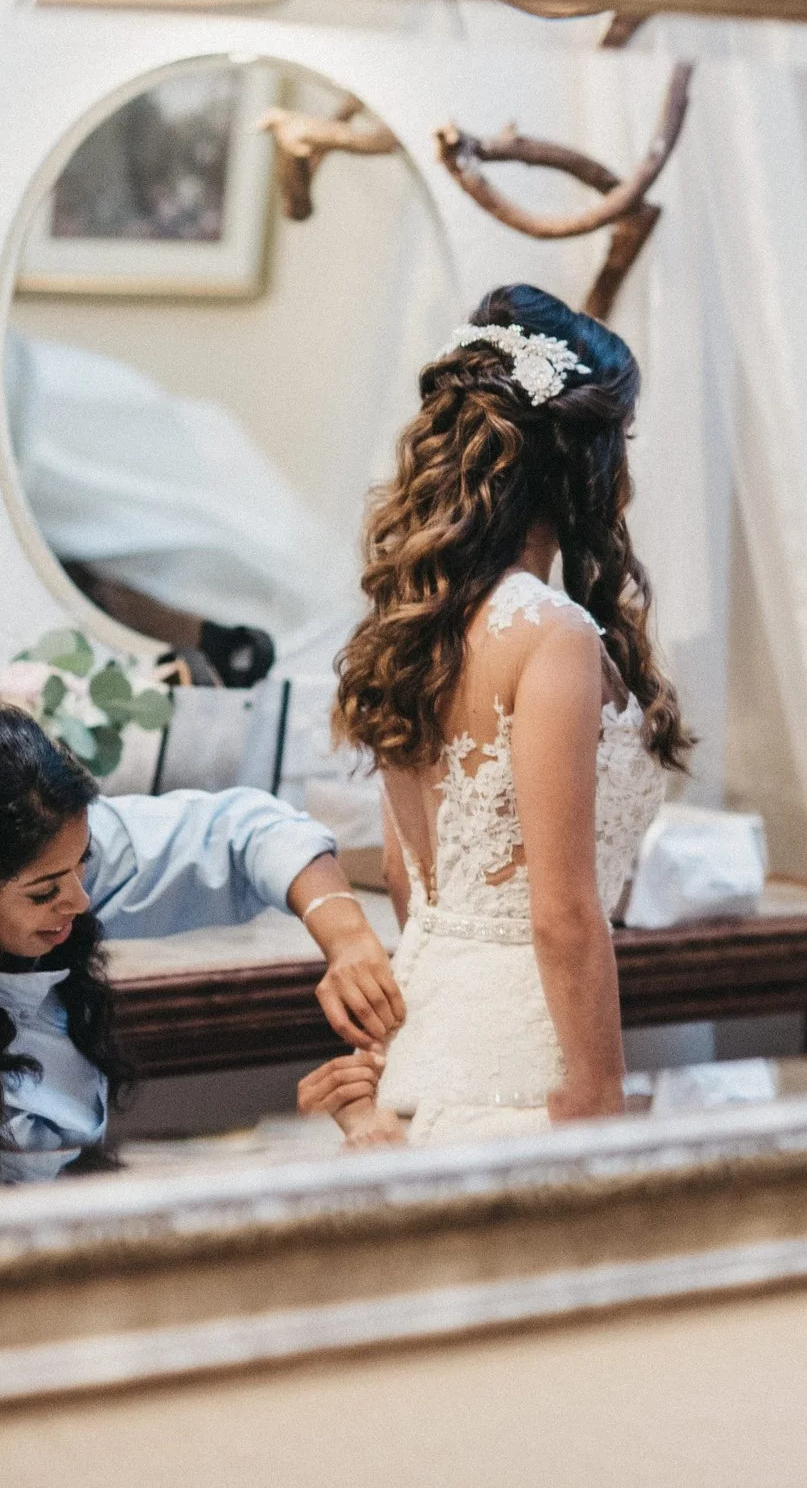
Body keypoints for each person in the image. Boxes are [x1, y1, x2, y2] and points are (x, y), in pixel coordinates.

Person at [297, 284, 690, 1146]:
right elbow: (562, 912)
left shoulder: (415, 622)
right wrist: (596, 1095)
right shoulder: (552, 634)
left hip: (427, 1039)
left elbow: (411, 881)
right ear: (582, 453)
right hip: (530, 1066)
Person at [0, 696, 401, 1201]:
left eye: (84, 865)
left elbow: (249, 832)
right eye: (46, 890)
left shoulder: (55, 857)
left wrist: (344, 937)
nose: (80, 901)